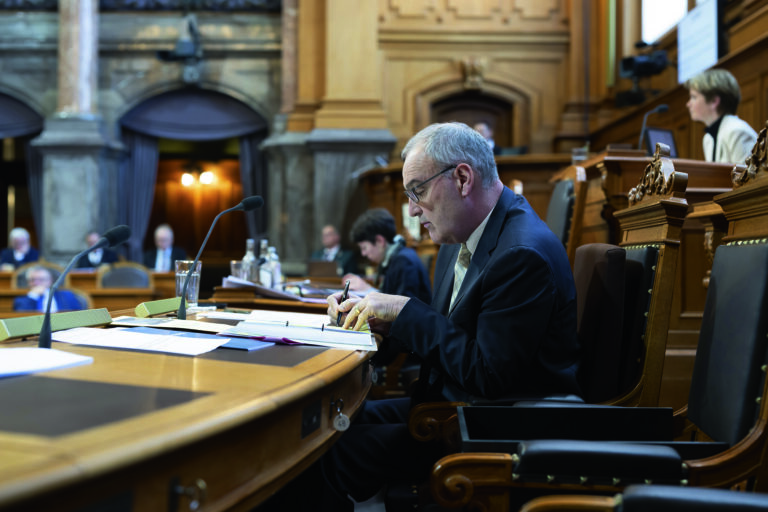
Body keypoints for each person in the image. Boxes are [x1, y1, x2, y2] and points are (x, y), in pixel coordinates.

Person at [262, 122, 581, 511]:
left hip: (492, 425)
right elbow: (450, 332)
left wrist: (405, 311)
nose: (412, 209)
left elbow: (489, 376)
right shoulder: (458, 237)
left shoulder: (521, 254)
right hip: (447, 404)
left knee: (324, 454)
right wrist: (381, 322)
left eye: (418, 191)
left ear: (462, 178)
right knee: (322, 426)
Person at [343, 208, 432, 373]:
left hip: (403, 354)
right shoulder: (397, 258)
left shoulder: (404, 262)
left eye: (364, 247)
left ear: (379, 241)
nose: (364, 253)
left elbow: (404, 315)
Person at [685, 68, 758, 165]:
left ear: (714, 101)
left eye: (694, 97)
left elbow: (750, 179)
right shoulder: (708, 139)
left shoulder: (738, 132)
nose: (688, 104)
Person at [13, 265, 83, 312]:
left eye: (41, 279)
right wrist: (32, 296)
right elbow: (21, 316)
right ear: (28, 282)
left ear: (50, 281)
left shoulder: (67, 295)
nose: (36, 283)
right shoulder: (20, 300)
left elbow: (78, 315)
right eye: (32, 280)